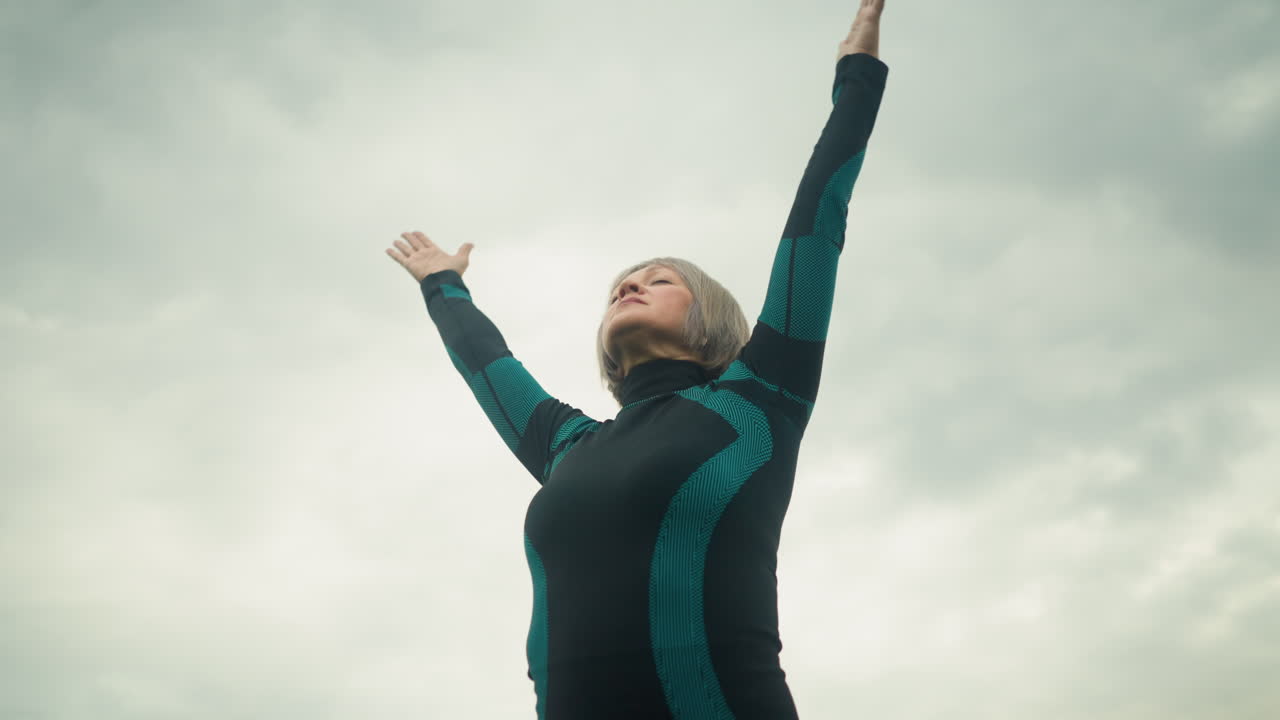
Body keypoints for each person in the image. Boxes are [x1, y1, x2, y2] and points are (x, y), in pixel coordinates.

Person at [385, 2, 888, 716]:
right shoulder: (568, 445)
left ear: (709, 314)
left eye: (660, 279)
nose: (632, 283)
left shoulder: (760, 398)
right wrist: (443, 285)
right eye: (624, 280)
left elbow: (817, 219)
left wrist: (857, 76)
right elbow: (486, 365)